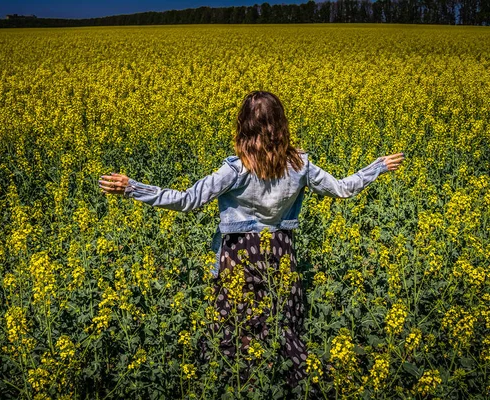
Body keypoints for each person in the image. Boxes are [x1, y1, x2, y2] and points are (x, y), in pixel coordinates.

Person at [98, 90, 405, 392]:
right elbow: (342, 188)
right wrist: (377, 167)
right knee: (279, 323)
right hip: (280, 252)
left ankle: (237, 386)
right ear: (281, 125)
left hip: (239, 255)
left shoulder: (235, 170)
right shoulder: (300, 164)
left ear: (243, 127)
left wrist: (132, 188)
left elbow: (187, 200)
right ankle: (291, 382)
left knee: (236, 326)